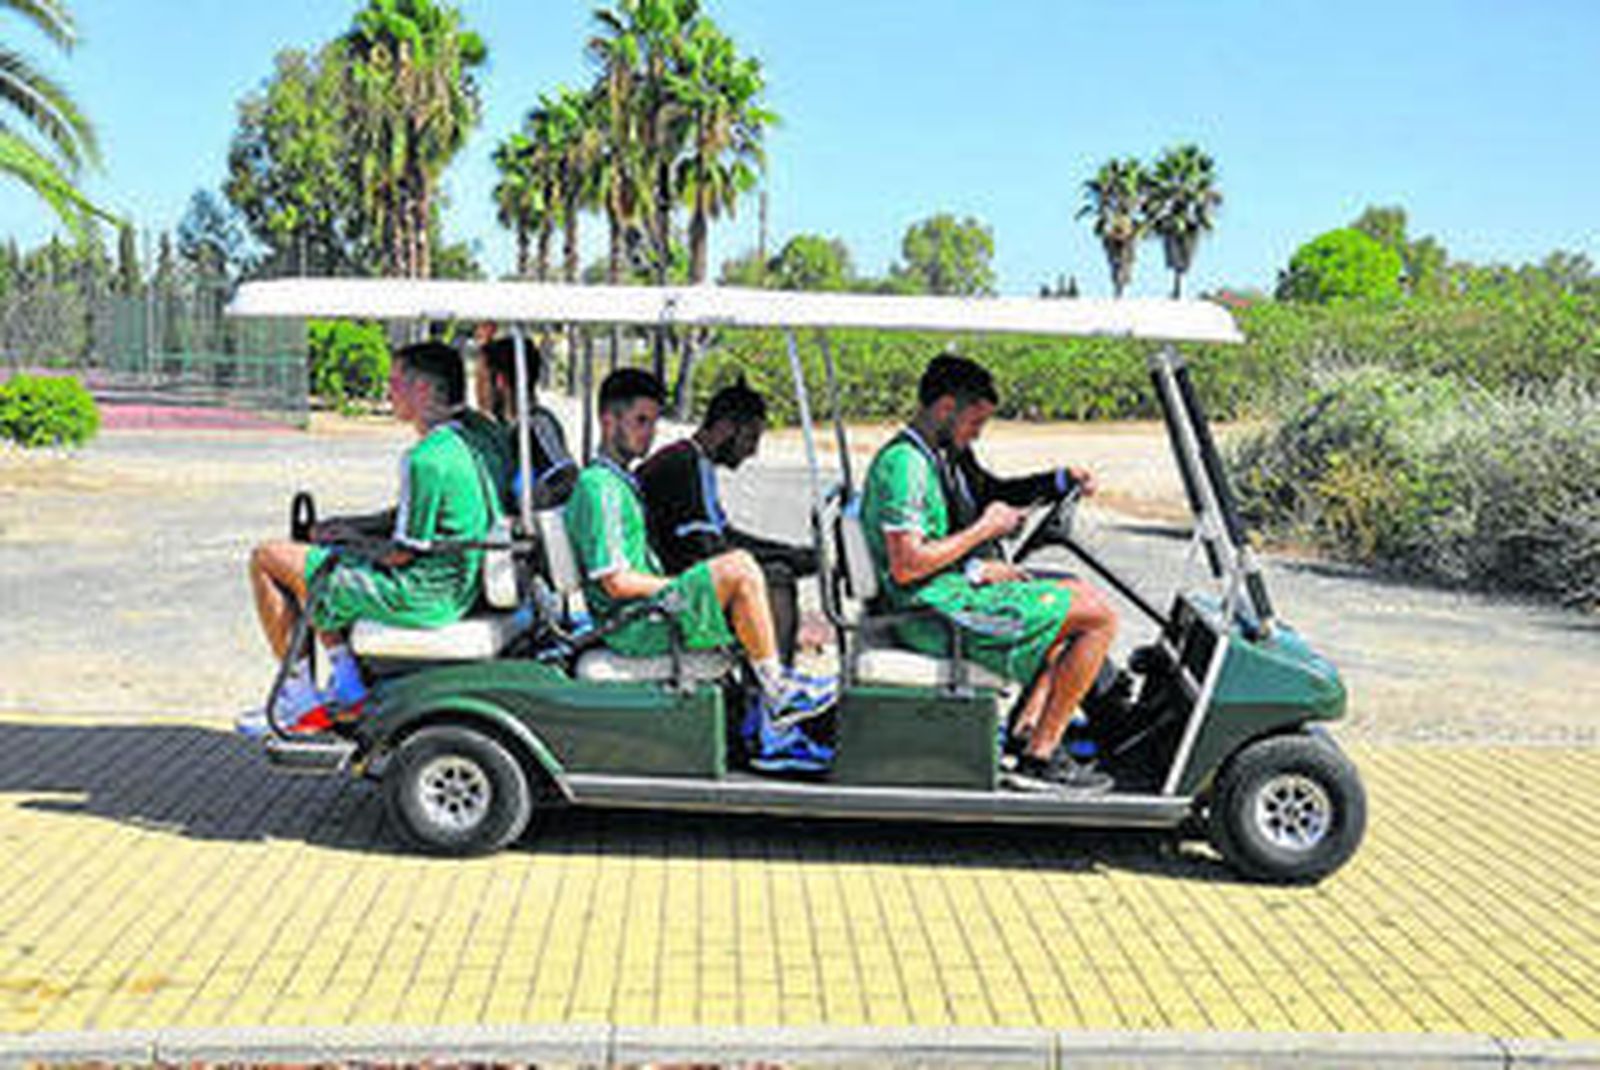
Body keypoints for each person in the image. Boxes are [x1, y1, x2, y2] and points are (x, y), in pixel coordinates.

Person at [858, 353, 1118, 793]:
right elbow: (906, 566)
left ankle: (1028, 731)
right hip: (931, 615)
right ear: (945, 408)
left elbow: (988, 494)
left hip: (945, 593)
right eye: (974, 423)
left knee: (1069, 595)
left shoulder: (939, 456)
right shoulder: (907, 467)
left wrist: (1056, 483)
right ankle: (1039, 759)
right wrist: (984, 531)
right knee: (1098, 615)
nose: (977, 434)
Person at [563, 368, 836, 772]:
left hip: (655, 605)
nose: (650, 433)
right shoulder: (601, 487)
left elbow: (715, 538)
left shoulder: (623, 482)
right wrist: (684, 586)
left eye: (654, 422)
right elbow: (616, 580)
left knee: (761, 572)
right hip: (635, 624)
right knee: (751, 571)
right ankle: (775, 697)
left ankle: (769, 702)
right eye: (641, 421)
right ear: (608, 420)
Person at [245, 341, 503, 734]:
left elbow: (401, 554)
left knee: (268, 558)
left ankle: (298, 702)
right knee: (314, 561)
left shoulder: (426, 460)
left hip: (424, 596)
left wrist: (348, 543)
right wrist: (355, 527)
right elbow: (414, 520)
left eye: (395, 382)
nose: (387, 391)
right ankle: (347, 687)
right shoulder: (474, 437)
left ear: (423, 390)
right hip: (454, 581)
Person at [637, 379, 818, 666]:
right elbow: (709, 549)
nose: (752, 451)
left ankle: (768, 680)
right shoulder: (681, 466)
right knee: (777, 578)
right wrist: (791, 558)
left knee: (781, 566)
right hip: (671, 589)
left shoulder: (697, 462)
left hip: (685, 571)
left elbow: (724, 534)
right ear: (724, 429)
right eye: (750, 439)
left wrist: (797, 553)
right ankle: (773, 687)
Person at [475, 333, 577, 509]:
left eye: (481, 379)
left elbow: (568, 480)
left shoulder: (537, 425)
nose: (477, 390)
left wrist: (530, 504)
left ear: (499, 381)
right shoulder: (503, 427)